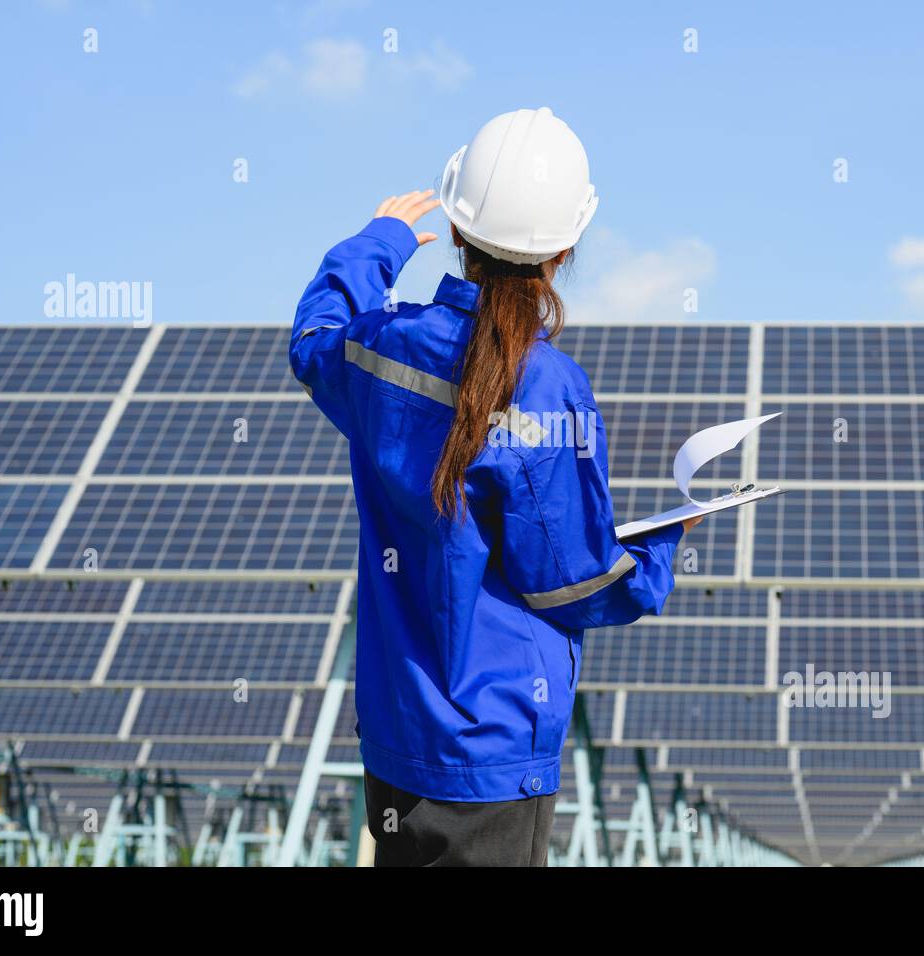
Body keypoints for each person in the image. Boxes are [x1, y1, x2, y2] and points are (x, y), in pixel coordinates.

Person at [290, 107, 699, 866]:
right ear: (566, 247)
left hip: (396, 742)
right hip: (496, 756)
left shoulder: (381, 354)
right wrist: (663, 548)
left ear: (455, 230)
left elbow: (313, 340)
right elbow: (572, 583)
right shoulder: (548, 387)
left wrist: (379, 242)